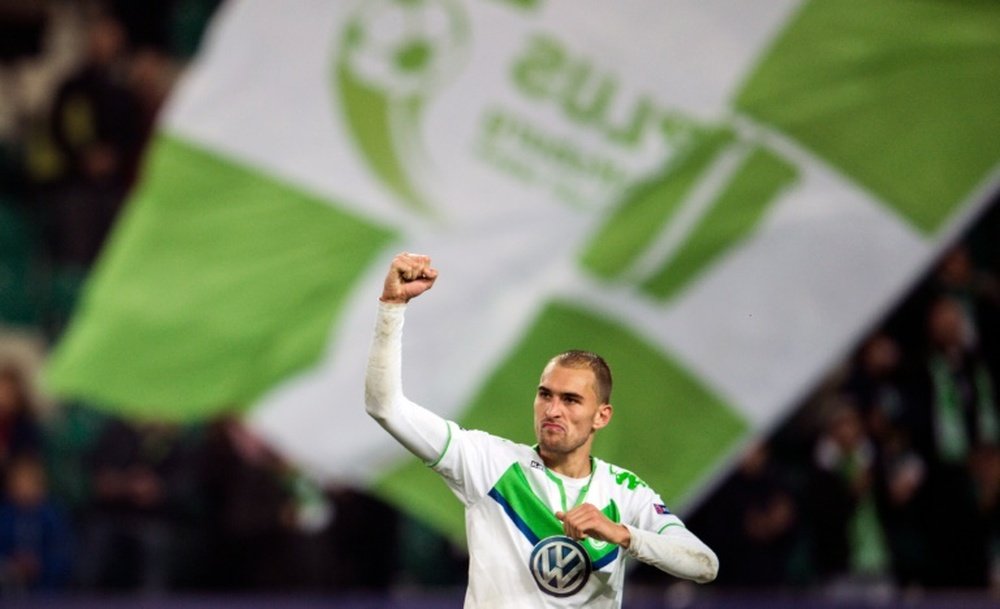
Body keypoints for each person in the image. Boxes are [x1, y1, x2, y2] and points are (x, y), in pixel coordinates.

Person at [364, 252, 718, 608]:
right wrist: (392, 307)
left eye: (571, 400)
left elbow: (704, 564)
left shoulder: (624, 493)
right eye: (545, 395)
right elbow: (385, 407)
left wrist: (621, 534)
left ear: (602, 416)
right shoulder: (487, 462)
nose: (553, 410)